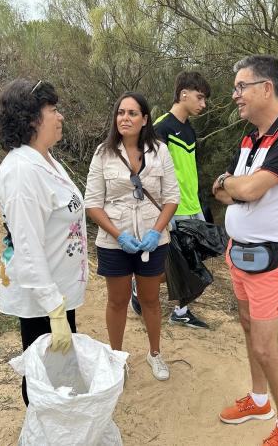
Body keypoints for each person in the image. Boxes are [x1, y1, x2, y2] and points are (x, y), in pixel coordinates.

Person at [212, 55, 278, 446]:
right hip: (239, 251)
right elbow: (221, 191)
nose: (235, 95)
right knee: (247, 326)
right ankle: (259, 400)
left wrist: (234, 184)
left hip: (271, 257)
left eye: (241, 87)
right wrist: (232, 184)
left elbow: (249, 190)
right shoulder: (251, 135)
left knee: (264, 345)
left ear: (266, 88)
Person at [0, 79, 87, 406]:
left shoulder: (45, 160)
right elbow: (27, 249)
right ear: (32, 118)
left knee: (61, 377)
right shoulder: (21, 172)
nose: (60, 117)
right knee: (45, 381)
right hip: (44, 300)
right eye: (53, 110)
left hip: (59, 293)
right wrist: (55, 311)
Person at [84, 91, 179, 381]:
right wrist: (118, 235)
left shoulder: (160, 151)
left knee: (150, 300)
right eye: (121, 112)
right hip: (115, 243)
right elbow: (92, 203)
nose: (125, 118)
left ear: (145, 119)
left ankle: (154, 354)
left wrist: (156, 231)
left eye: (132, 113)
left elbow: (172, 197)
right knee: (117, 301)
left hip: (153, 241)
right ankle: (116, 359)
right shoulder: (103, 153)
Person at [130, 71, 211, 329]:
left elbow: (189, 170)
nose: (203, 104)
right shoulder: (161, 127)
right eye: (200, 97)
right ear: (183, 93)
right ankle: (138, 284)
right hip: (173, 208)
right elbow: (150, 172)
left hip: (192, 205)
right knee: (171, 262)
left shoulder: (189, 129)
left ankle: (181, 311)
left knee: (191, 260)